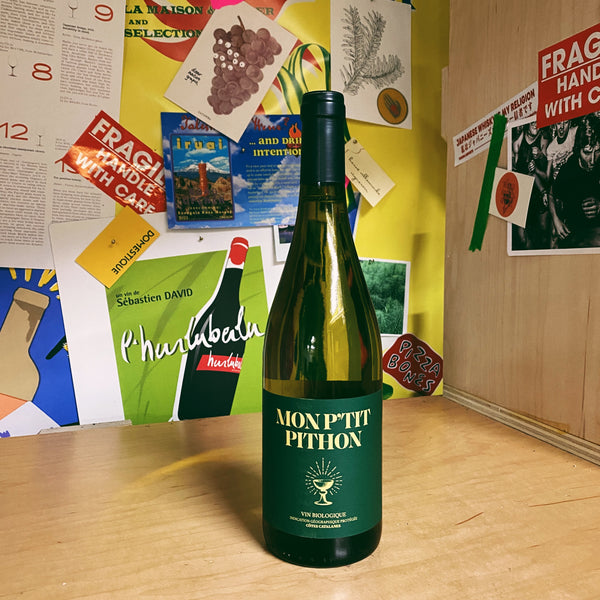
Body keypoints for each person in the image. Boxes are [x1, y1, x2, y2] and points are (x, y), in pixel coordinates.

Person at [550, 114, 600, 248]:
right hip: (575, 232)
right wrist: (556, 220)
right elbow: (551, 193)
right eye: (587, 152)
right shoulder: (568, 169)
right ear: (578, 149)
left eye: (597, 151)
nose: (593, 160)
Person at [511, 121, 550, 249]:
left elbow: (547, 171)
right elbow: (513, 167)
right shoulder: (518, 139)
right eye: (532, 121)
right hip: (521, 191)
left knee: (543, 232)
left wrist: (540, 156)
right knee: (522, 236)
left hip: (538, 190)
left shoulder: (544, 138)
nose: (535, 124)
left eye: (538, 122)